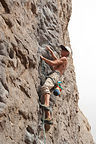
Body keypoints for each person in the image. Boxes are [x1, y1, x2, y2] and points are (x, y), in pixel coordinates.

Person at [40, 45, 71, 124]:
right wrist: (50, 51)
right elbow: (56, 59)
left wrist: (42, 58)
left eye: (63, 50)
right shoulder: (63, 60)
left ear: (67, 53)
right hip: (58, 79)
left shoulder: (64, 59)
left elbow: (53, 63)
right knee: (47, 92)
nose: (61, 50)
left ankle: (46, 105)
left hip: (55, 75)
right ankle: (48, 117)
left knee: (45, 87)